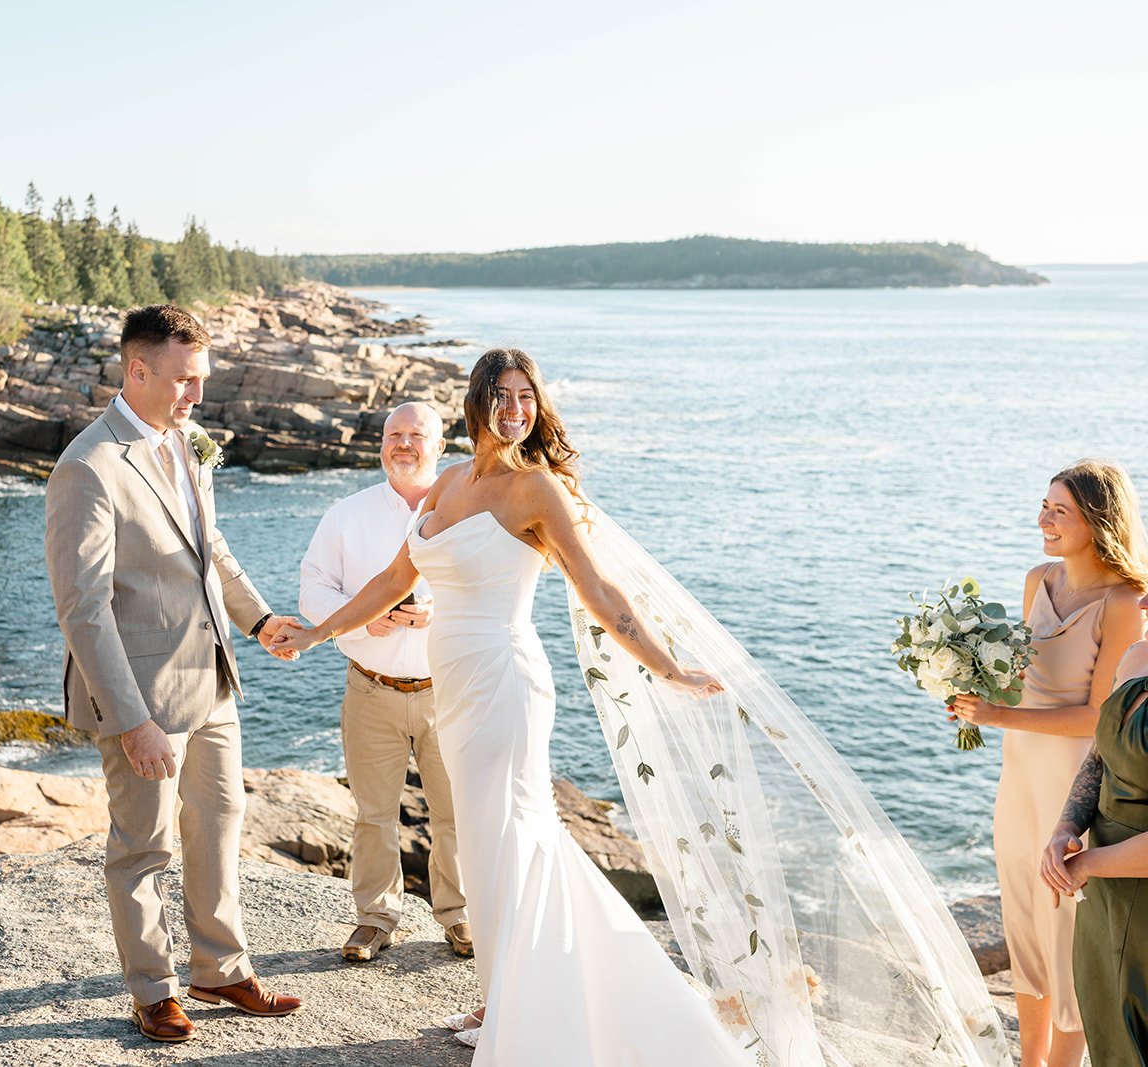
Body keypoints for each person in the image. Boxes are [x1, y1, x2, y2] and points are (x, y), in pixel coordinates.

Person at [270, 349, 1013, 1066]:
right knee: (496, 843)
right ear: (476, 403)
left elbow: (602, 591)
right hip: (456, 688)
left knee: (508, 838)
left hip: (503, 680)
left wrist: (667, 667)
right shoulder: (448, 485)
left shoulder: (538, 491)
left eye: (528, 396)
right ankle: (503, 991)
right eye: (503, 395)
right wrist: (315, 630)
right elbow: (393, 578)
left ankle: (527, 1001)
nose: (517, 409)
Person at [44, 304, 303, 1044]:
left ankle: (220, 967)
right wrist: (131, 720)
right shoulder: (88, 467)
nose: (198, 395)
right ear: (138, 370)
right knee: (142, 847)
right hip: (146, 699)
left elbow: (208, 545)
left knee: (221, 824)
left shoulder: (187, 441)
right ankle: (154, 988)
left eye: (203, 380)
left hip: (212, 678)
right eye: (186, 380)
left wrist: (257, 621)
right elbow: (84, 611)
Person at [951, 460, 1148, 1067]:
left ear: (1097, 517)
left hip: (1074, 781)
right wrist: (964, 678)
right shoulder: (1038, 580)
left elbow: (1099, 716)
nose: (1043, 519)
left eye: (1059, 510)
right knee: (1025, 924)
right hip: (1019, 780)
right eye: (1044, 505)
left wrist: (998, 716)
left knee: (1066, 929)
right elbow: (1019, 682)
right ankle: (1026, 1061)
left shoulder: (1126, 602)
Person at [299, 401, 470, 962]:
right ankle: (375, 918)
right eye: (394, 434)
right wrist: (361, 616)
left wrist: (438, 611)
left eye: (416, 435)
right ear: (381, 444)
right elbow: (314, 591)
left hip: (448, 690)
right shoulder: (344, 515)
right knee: (373, 814)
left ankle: (461, 916)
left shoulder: (469, 513)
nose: (403, 444)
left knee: (455, 812)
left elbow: (491, 589)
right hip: (370, 689)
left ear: (440, 446)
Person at [1042, 616, 1148, 1066]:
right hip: (1104, 888)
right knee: (1104, 1017)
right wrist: (1065, 830)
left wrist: (1086, 865)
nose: (1144, 600)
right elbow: (1099, 755)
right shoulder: (1137, 656)